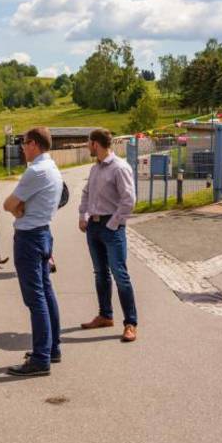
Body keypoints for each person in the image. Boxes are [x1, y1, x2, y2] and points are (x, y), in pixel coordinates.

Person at [3, 127, 63, 377]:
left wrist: (18, 209)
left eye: (24, 143)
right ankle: (52, 349)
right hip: (43, 232)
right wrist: (19, 208)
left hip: (29, 237)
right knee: (46, 293)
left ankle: (40, 358)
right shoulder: (52, 168)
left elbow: (8, 204)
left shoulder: (35, 170)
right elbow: (17, 205)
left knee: (35, 298)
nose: (22, 147)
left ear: (35, 144)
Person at [79, 128, 138, 342]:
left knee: (120, 275)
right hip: (93, 228)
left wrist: (112, 224)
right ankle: (105, 315)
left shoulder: (120, 167)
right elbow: (86, 193)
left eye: (88, 142)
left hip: (111, 227)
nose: (87, 146)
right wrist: (82, 215)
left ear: (96, 144)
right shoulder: (95, 169)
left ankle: (130, 323)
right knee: (100, 273)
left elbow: (129, 200)